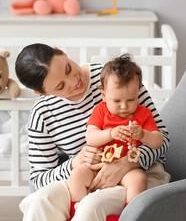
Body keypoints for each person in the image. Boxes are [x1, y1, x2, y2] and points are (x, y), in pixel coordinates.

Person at [15, 43, 170, 221]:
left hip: (136, 174)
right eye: (60, 86)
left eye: (68, 69)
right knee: (39, 201)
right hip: (86, 178)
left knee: (91, 207)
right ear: (41, 92)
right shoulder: (42, 114)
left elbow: (162, 140)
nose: (74, 82)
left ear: (62, 52)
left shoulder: (116, 78)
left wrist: (127, 163)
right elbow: (39, 179)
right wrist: (74, 163)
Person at [68, 55, 163, 205]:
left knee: (139, 180)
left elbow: (159, 141)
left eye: (131, 100)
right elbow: (91, 137)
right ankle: (77, 211)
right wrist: (110, 133)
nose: (124, 106)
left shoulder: (143, 113)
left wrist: (144, 135)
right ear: (104, 95)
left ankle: (130, 215)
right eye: (117, 101)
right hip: (99, 164)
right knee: (77, 175)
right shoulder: (100, 110)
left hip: (128, 167)